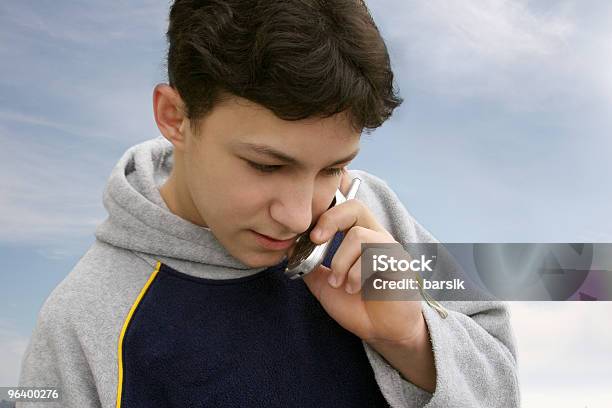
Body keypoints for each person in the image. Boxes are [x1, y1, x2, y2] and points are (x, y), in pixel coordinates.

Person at [18, 0, 520, 407]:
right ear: (174, 116)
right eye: (266, 166)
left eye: (331, 168)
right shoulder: (79, 324)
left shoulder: (376, 214)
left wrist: (411, 340)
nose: (301, 216)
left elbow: (504, 389)